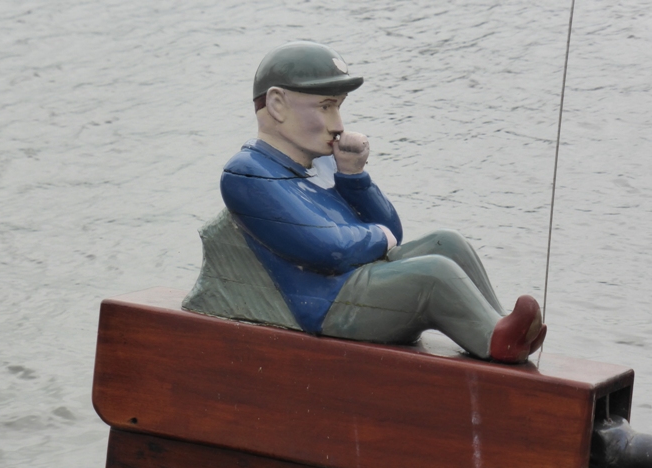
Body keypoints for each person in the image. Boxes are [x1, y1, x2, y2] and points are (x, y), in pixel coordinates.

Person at [183, 41, 546, 363]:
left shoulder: (323, 163)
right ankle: (496, 340)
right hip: (328, 304)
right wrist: (377, 236)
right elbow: (328, 249)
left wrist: (354, 176)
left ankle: (498, 323)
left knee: (446, 243)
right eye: (326, 107)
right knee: (433, 275)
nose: (338, 125)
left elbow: (393, 230)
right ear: (277, 104)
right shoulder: (249, 174)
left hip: (357, 278)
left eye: (339, 107)